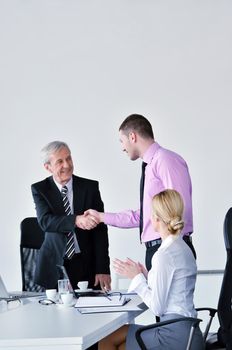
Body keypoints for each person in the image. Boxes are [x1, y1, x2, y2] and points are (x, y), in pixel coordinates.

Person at [85, 114, 196, 270]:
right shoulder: (150, 166)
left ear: (132, 137)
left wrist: (169, 249)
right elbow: (144, 216)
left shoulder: (165, 160)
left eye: (122, 141)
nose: (122, 147)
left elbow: (178, 207)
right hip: (158, 249)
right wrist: (101, 217)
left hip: (170, 249)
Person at [98, 189, 204, 350]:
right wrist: (147, 276)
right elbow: (174, 286)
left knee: (106, 341)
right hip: (188, 331)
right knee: (117, 342)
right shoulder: (182, 246)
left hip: (174, 335)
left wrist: (137, 278)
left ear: (156, 218)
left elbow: (157, 307)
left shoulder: (164, 254)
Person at [31, 141, 111, 291]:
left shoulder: (90, 187)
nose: (67, 165)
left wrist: (103, 268)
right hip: (53, 265)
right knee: (50, 313)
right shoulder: (40, 189)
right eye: (60, 161)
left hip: (86, 264)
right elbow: (45, 221)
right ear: (48, 167)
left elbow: (100, 231)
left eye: (68, 158)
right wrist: (76, 220)